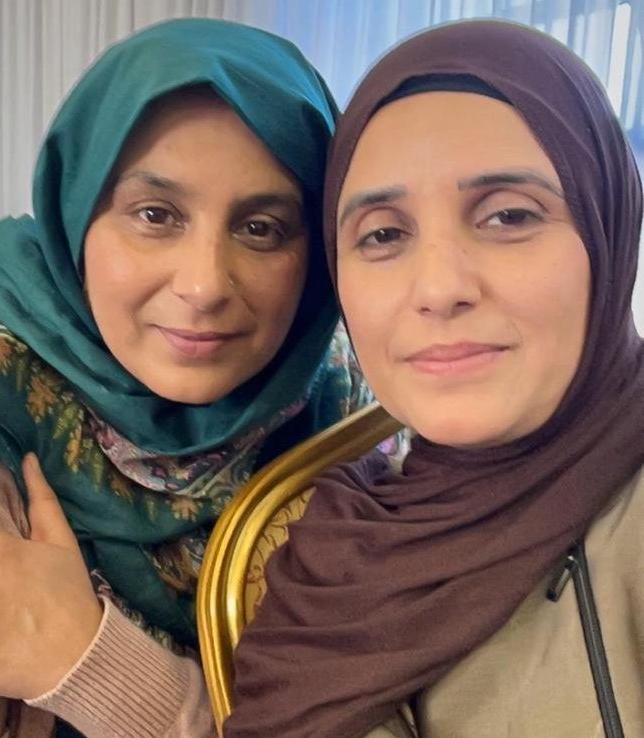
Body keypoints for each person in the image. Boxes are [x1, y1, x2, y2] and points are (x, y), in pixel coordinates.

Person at [0, 17, 369, 738]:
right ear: (76, 209)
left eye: (262, 228)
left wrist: (79, 658)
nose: (204, 285)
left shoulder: (335, 394)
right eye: (156, 214)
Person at [227, 19, 644, 738]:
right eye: (384, 234)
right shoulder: (332, 560)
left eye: (509, 216)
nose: (440, 288)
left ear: (608, 229)